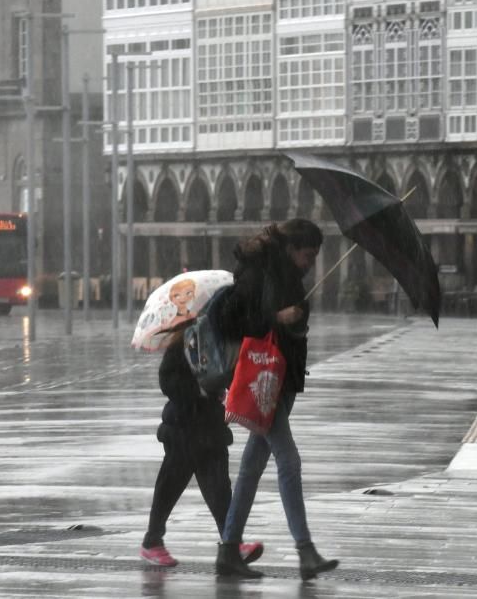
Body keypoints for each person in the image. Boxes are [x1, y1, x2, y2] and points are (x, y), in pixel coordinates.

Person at [215, 218, 339, 580]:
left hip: (281, 381)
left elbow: (289, 330)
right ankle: (305, 551)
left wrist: (295, 320)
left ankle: (228, 551)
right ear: (289, 249)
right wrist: (276, 317)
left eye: (315, 256)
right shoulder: (258, 273)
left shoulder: (288, 278)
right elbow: (229, 320)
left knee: (252, 467)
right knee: (289, 460)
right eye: (306, 255)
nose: (310, 262)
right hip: (261, 381)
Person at [140, 333, 263, 567]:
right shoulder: (182, 342)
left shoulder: (218, 339)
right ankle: (152, 541)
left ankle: (232, 543)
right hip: (183, 427)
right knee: (170, 487)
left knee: (219, 489)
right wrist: (198, 391)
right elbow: (167, 380)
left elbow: (227, 373)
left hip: (211, 425)